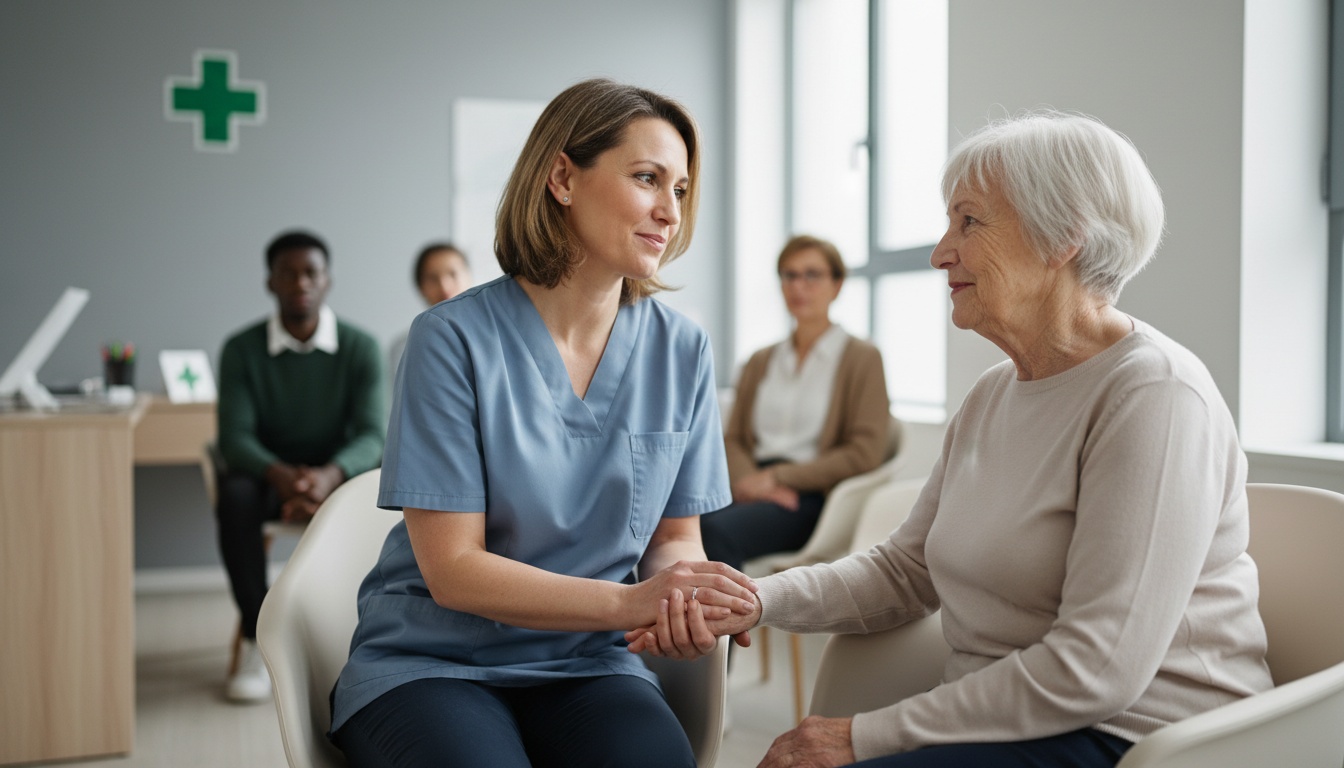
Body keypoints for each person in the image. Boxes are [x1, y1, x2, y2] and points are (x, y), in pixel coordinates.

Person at [629, 111, 1273, 767]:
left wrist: (859, 735)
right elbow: (906, 572)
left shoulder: (1154, 396)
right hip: (1002, 721)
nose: (941, 252)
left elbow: (1096, 669)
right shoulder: (996, 393)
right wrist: (756, 598)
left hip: (1135, 738)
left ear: (1065, 238)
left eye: (969, 221)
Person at [328, 78, 759, 768]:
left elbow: (676, 539)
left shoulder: (684, 351)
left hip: (587, 662)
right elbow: (455, 572)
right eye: (647, 178)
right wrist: (632, 606)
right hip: (435, 659)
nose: (670, 211)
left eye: (679, 190)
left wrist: (686, 592)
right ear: (562, 177)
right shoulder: (450, 340)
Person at [215, 230, 385, 703]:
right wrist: (287, 478)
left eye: (311, 272)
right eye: (288, 273)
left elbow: (374, 435)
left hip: (337, 477)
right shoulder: (242, 349)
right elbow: (234, 438)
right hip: (271, 477)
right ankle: (255, 635)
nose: (300, 283)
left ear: (327, 280)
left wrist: (327, 477)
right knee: (235, 494)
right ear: (270, 282)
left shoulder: (361, 347)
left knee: (379, 493)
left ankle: (361, 639)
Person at [702, 234, 890, 573]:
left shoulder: (861, 358)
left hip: (811, 498)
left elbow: (865, 452)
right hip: (753, 484)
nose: (798, 286)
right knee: (674, 523)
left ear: (837, 284)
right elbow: (733, 439)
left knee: (713, 531)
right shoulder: (760, 360)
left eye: (812, 275)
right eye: (789, 275)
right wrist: (752, 483)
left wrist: (778, 478)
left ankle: (724, 626)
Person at [386, 242, 471, 386]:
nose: (444, 286)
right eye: (432, 278)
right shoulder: (405, 347)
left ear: (468, 277)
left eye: (453, 274)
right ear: (420, 287)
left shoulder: (493, 336)